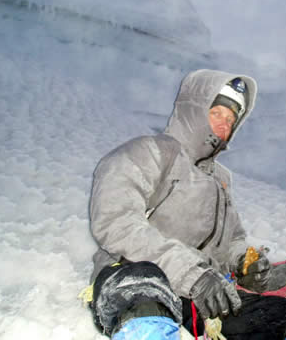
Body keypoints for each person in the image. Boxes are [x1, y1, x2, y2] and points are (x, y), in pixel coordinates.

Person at [88, 69, 274, 337]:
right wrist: (191, 273)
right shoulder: (149, 152)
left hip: (200, 292)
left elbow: (231, 240)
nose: (224, 124)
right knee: (149, 317)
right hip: (134, 280)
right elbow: (116, 222)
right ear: (194, 110)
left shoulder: (220, 180)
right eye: (217, 113)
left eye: (232, 119)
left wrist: (244, 261)